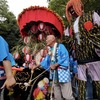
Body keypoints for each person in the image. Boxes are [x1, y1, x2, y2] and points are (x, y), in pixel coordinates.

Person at [66, 0, 100, 99]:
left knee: (98, 84)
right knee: (83, 88)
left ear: (80, 6)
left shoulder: (92, 15)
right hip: (81, 61)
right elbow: (70, 42)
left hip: (94, 58)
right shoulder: (71, 25)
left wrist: (91, 32)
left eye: (73, 7)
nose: (72, 11)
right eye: (70, 9)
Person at [33, 35, 74, 100]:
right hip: (54, 75)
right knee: (57, 97)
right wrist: (36, 66)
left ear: (53, 39)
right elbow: (45, 60)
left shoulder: (61, 47)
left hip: (63, 74)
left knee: (68, 96)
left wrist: (55, 65)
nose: (46, 40)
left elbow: (65, 57)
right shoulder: (50, 50)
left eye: (47, 39)